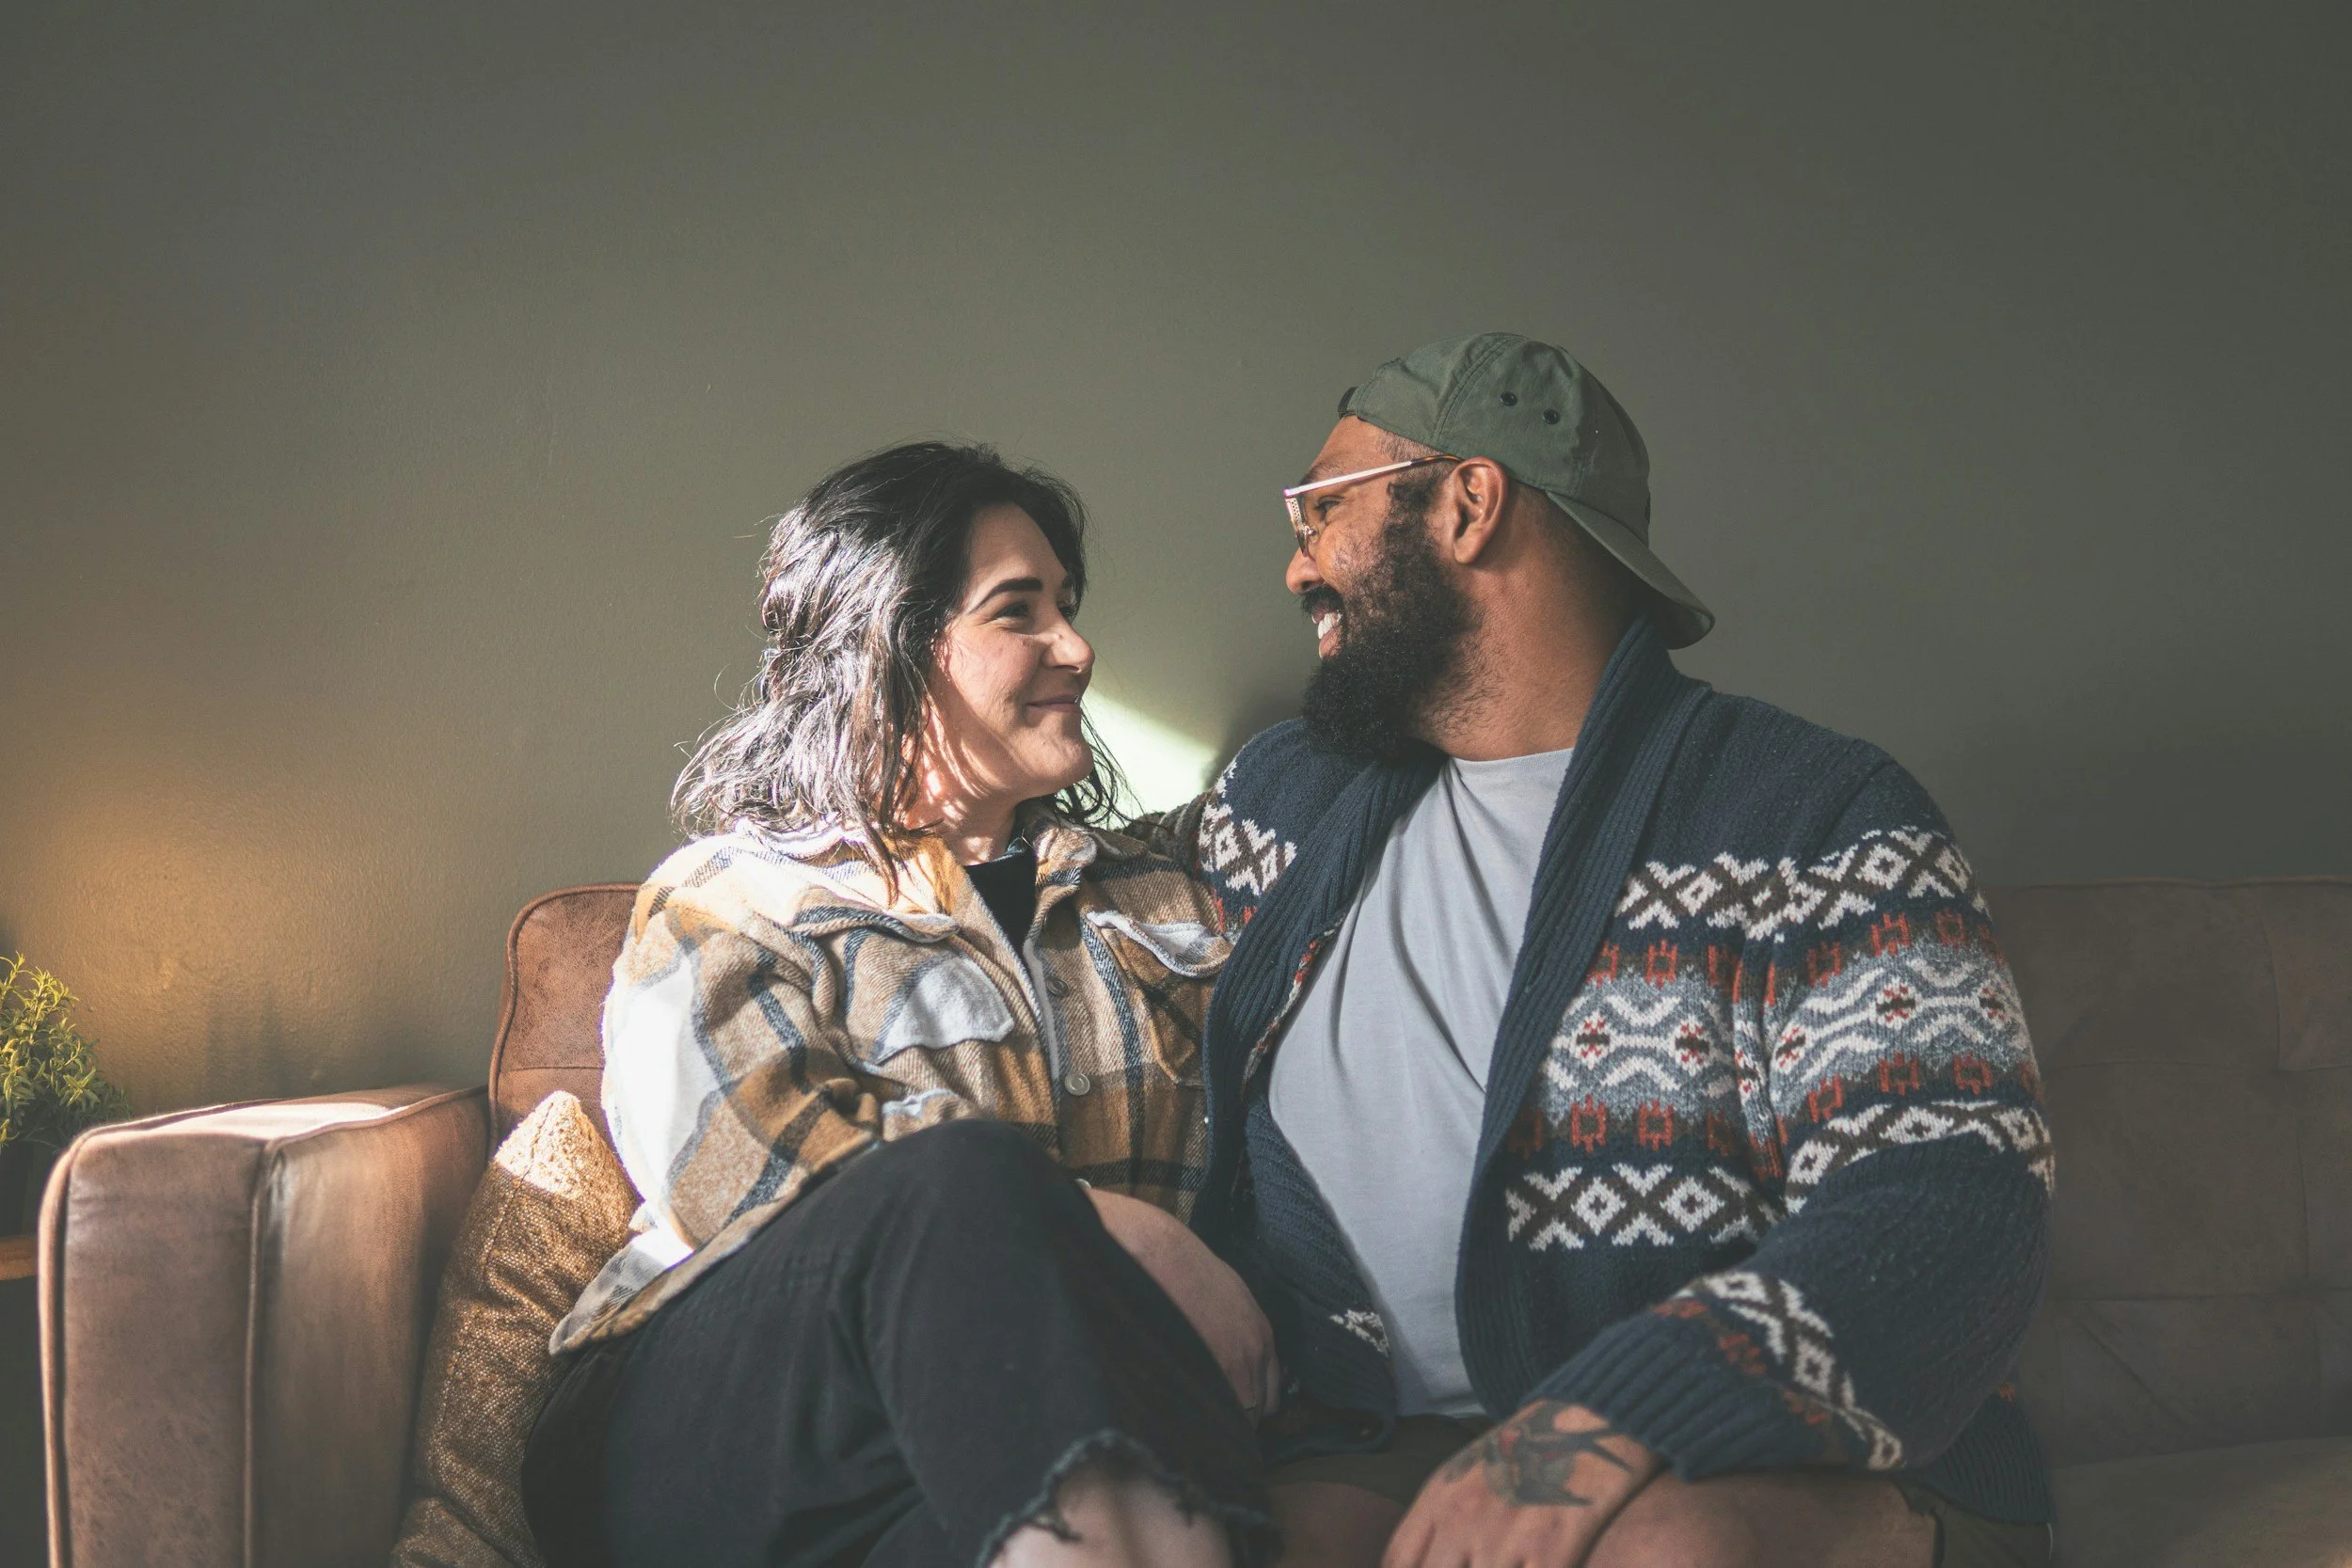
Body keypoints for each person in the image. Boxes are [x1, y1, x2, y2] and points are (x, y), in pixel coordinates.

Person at [1144, 335, 2055, 1568]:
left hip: (1771, 1453)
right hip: (1372, 1431)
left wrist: (1626, 1407)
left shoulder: (1816, 815)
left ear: (1468, 504)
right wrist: (1101, 1219)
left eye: (1323, 506)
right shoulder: (1284, 799)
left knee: (1665, 1554)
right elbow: (1027, 901)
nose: (1296, 559)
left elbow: (1950, 1196)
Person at [521, 441, 1281, 1568]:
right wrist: (1107, 1227)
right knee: (960, 1171)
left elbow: (1326, 787)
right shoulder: (732, 897)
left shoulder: (1159, 892)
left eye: (1067, 606)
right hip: (709, 1417)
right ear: (888, 645)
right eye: (1018, 610)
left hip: (999, 1428)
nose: (1076, 647)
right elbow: (745, 1173)